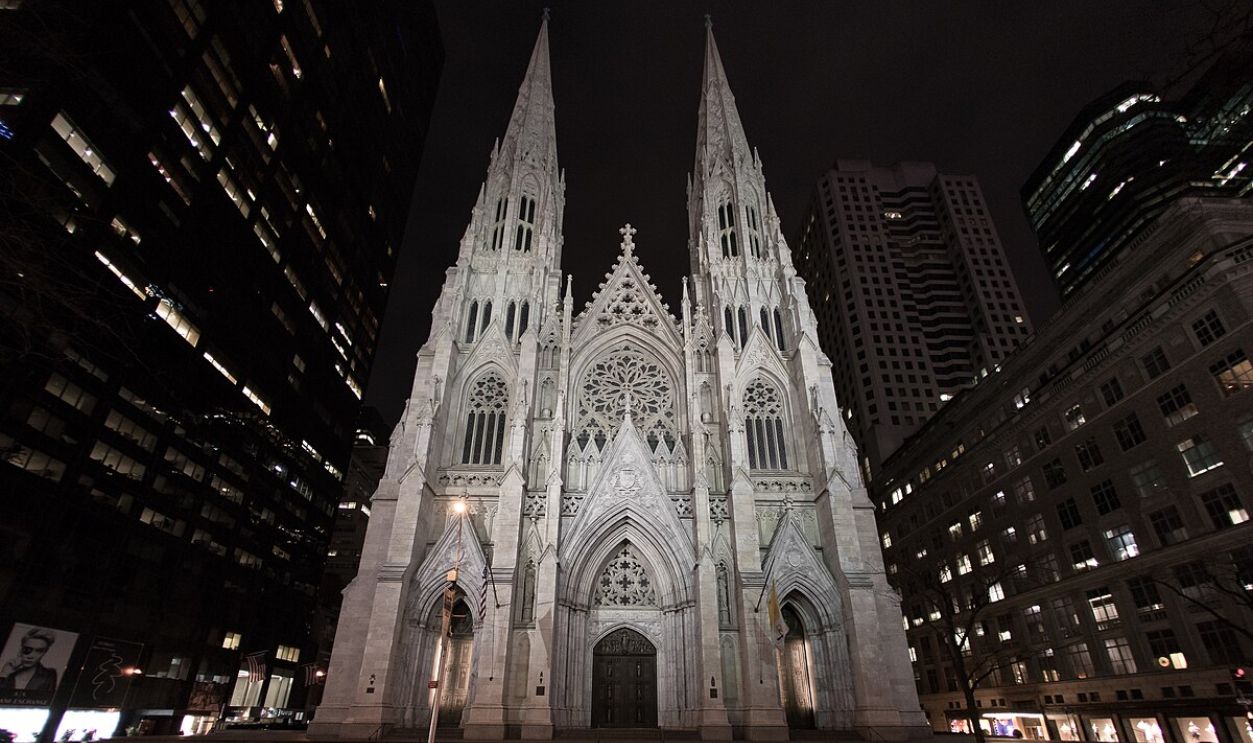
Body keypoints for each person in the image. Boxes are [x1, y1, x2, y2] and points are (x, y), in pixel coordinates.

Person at [0, 628, 59, 692]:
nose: (31, 656)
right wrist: (3, 674)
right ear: (21, 649)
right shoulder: (9, 673)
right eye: (28, 649)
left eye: (39, 651)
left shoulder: (49, 675)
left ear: (45, 652)